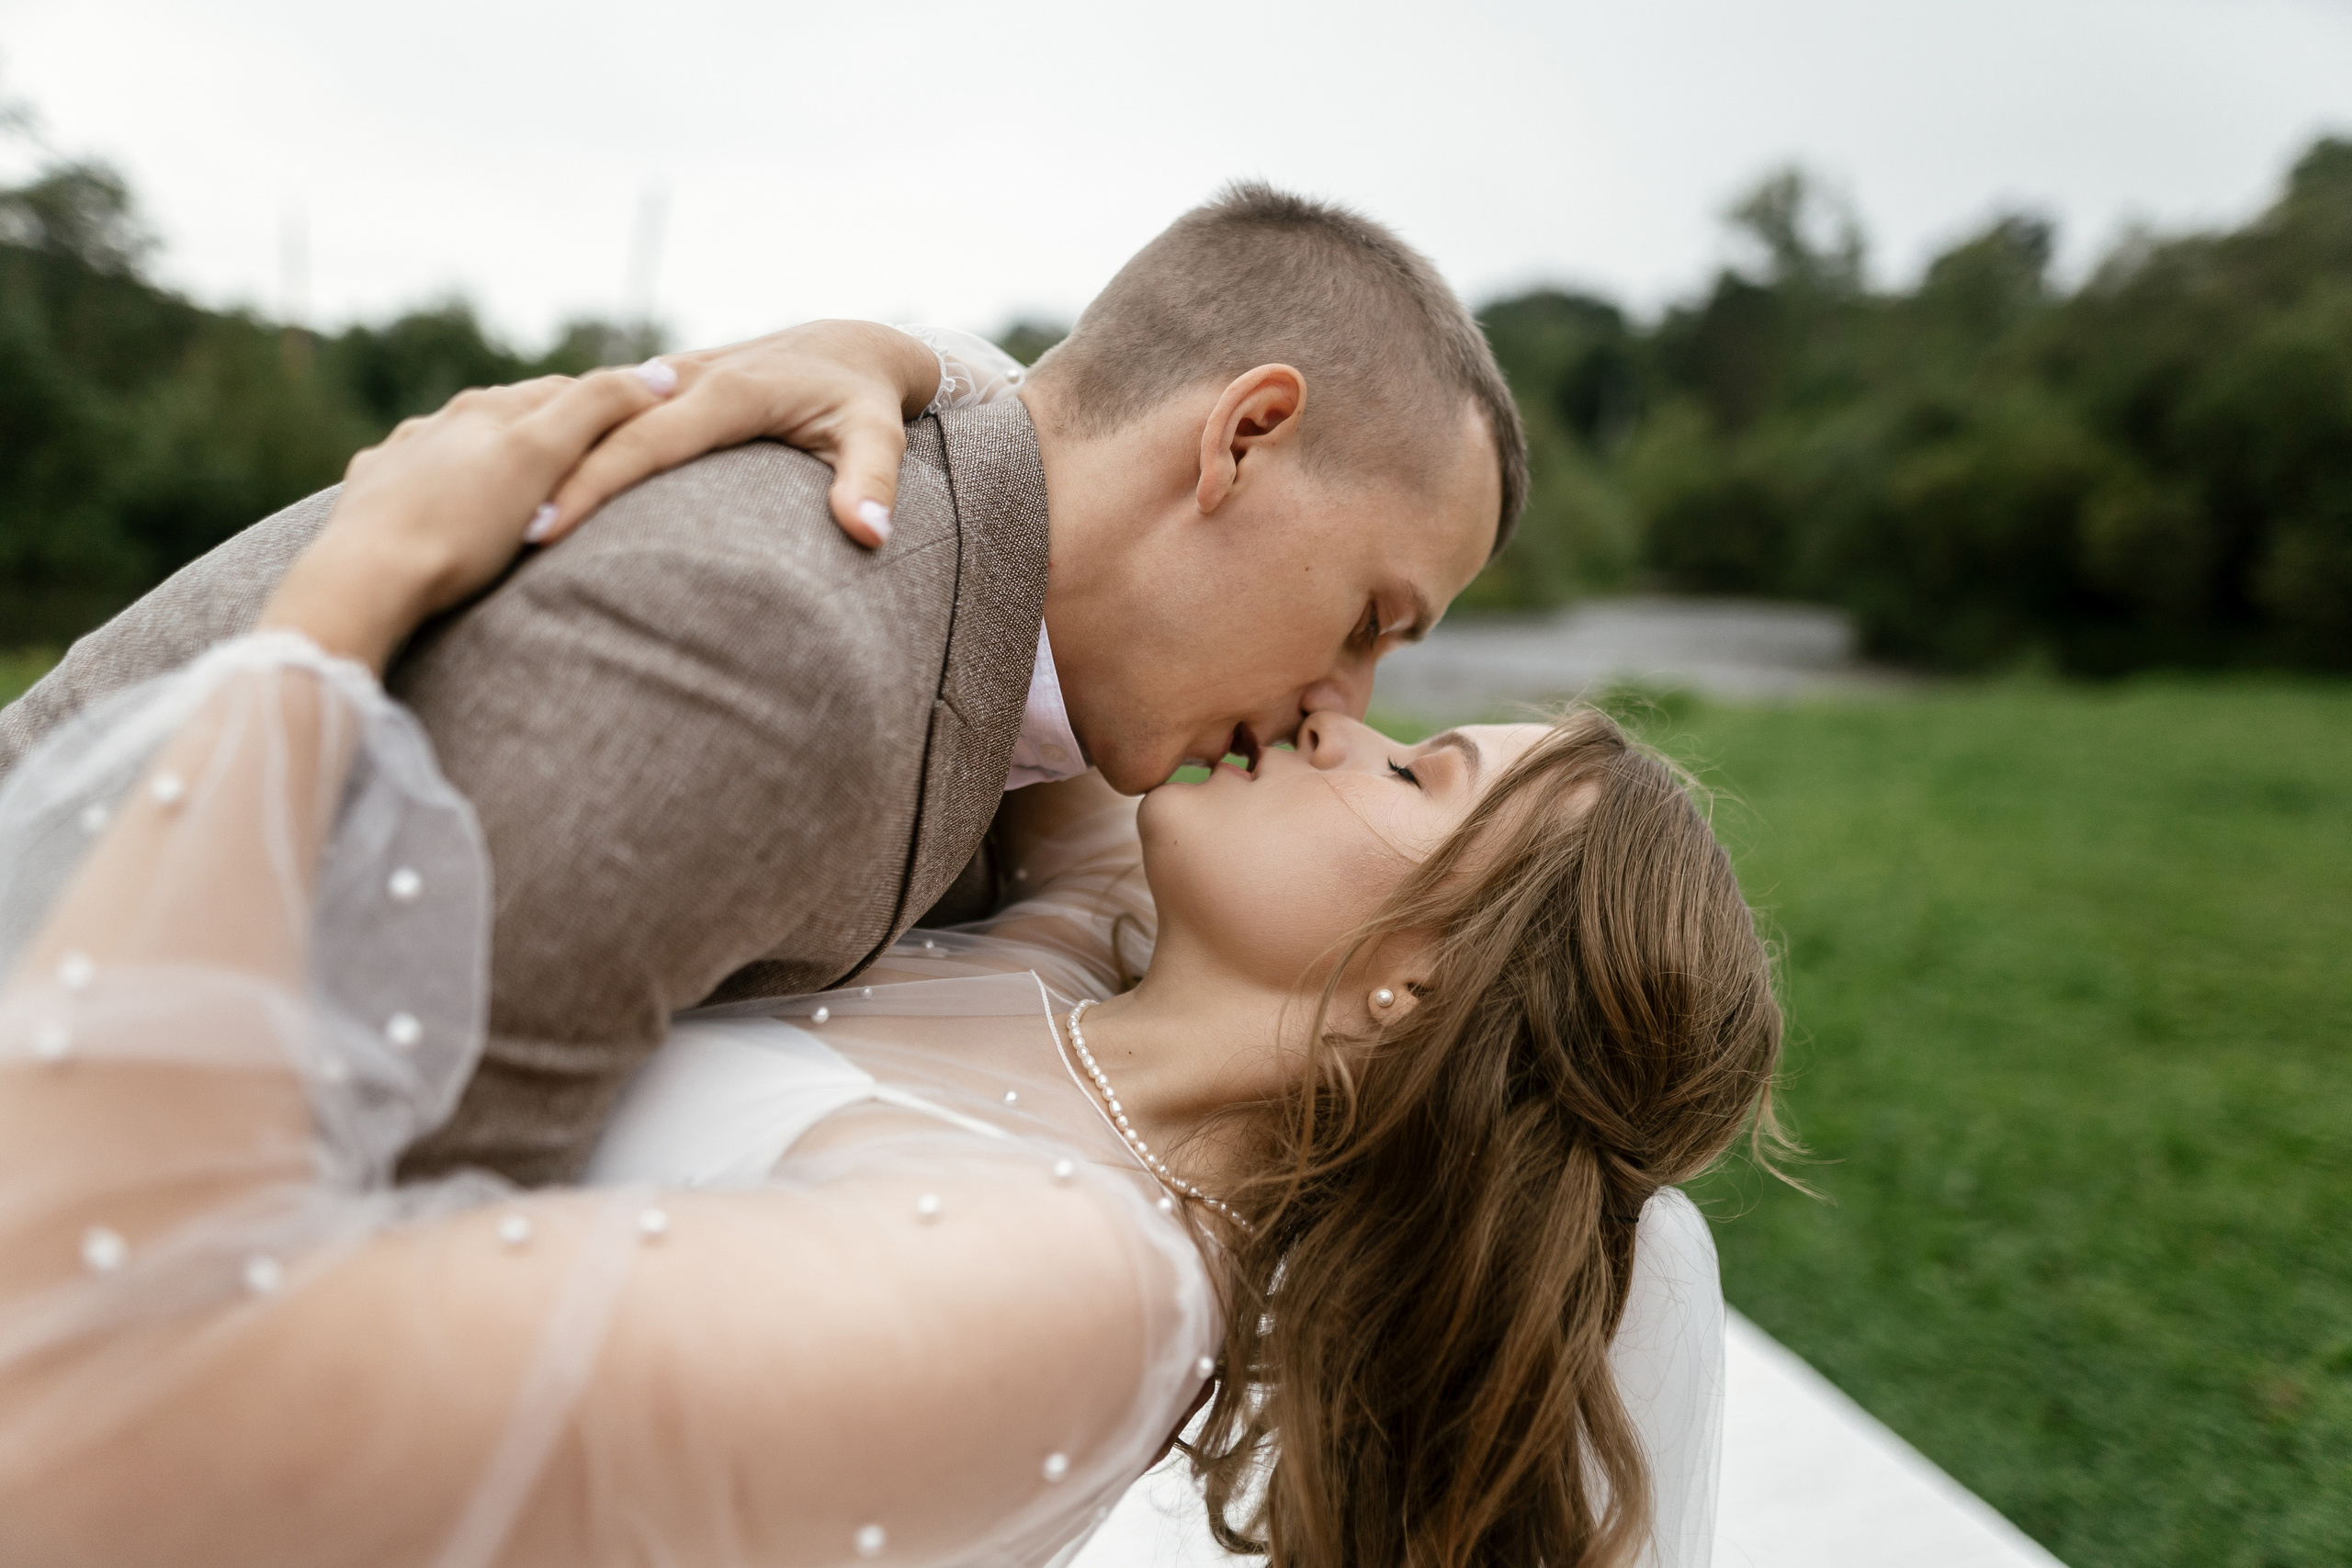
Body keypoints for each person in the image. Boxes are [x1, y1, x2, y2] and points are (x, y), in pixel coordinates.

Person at [0, 355, 1780, 1563]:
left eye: (1419, 769)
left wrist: (358, 589)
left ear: (1418, 984)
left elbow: (124, 1403)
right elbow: (1094, 494)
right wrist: (861, 356)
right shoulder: (1082, 962)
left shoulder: (1065, 1283)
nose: (1338, 716)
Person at [0, 183, 1525, 1190]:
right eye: (1371, 618)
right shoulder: (780, 649)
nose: (1343, 702)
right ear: (1244, 436)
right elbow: (334, 1217)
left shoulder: (984, 569)